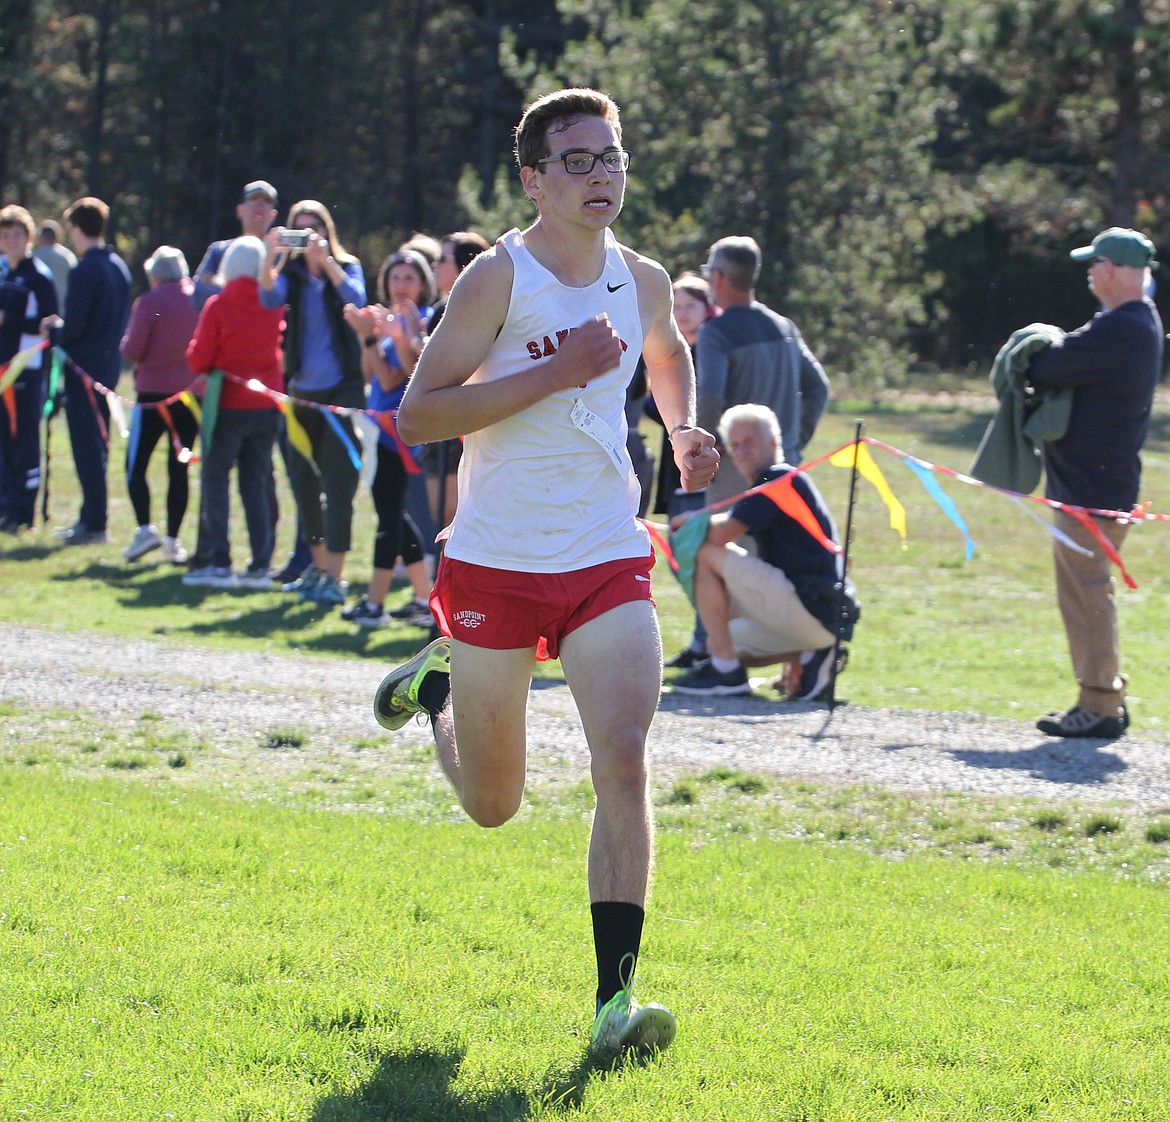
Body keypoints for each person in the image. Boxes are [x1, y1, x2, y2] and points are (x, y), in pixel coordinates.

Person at [373, 87, 719, 1055]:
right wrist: (553, 373)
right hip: (495, 563)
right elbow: (419, 415)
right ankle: (438, 691)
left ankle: (615, 1006)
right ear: (532, 178)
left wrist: (684, 426)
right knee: (496, 807)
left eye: (611, 157)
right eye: (578, 161)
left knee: (625, 755)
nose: (601, 176)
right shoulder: (497, 279)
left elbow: (666, 353)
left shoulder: (641, 277)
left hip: (606, 552)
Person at [1028, 228, 1163, 739]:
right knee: (1088, 593)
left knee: (1087, 596)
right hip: (1099, 488)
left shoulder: (1123, 327)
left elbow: (1047, 365)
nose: (1088, 272)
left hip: (1092, 492)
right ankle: (1101, 695)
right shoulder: (1132, 323)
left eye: (1093, 263)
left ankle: (1101, 702)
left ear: (1110, 270)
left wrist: (1032, 346)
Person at [671, 404, 858, 700]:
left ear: (773, 444)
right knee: (722, 637)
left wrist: (690, 523)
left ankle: (726, 672)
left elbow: (721, 534)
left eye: (750, 442)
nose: (742, 451)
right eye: (735, 445)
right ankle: (810, 658)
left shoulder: (778, 478)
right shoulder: (778, 483)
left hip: (813, 605)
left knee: (704, 551)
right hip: (825, 614)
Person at [261, 201, 366, 606]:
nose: (306, 240)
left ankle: (336, 578)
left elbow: (356, 297)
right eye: (298, 232)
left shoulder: (347, 265)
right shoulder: (290, 275)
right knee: (303, 481)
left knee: (339, 484)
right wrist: (272, 256)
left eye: (312, 231)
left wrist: (328, 264)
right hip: (301, 393)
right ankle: (318, 567)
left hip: (341, 392)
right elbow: (268, 298)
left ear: (327, 231)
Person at [183, 236, 286, 588]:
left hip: (227, 406)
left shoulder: (219, 303)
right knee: (255, 483)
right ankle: (260, 564)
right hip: (267, 405)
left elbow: (200, 358)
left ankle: (220, 560)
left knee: (215, 480)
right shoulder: (271, 302)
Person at [340, 250, 435, 628]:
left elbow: (398, 378)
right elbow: (372, 375)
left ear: (423, 283)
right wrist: (368, 338)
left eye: (409, 278)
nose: (401, 285)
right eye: (395, 278)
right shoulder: (390, 321)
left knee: (389, 519)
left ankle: (375, 604)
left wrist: (389, 339)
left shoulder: (423, 321)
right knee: (395, 516)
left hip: (401, 435)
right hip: (380, 432)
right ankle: (423, 598)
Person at [696, 235, 829, 498]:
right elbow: (818, 387)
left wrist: (703, 450)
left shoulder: (716, 332)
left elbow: (710, 398)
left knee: (729, 538)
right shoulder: (784, 327)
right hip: (783, 463)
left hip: (736, 469)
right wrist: (792, 443)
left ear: (718, 277)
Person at [42, 197, 131, 546]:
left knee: (86, 446)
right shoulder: (119, 267)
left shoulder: (85, 270)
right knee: (100, 443)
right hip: (109, 369)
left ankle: (93, 523)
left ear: (77, 228)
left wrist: (54, 330)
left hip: (83, 370)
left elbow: (76, 327)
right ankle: (93, 516)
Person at [118, 246, 200, 563]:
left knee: (135, 466)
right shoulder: (197, 298)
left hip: (153, 396)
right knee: (178, 468)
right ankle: (173, 540)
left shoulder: (151, 303)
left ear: (154, 276)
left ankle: (144, 529)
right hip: (189, 396)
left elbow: (133, 349)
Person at [422, 230, 491, 530]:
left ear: (466, 265)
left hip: (467, 423)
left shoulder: (483, 308)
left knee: (458, 515)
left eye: (442, 259)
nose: (434, 265)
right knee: (440, 517)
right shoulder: (439, 310)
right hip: (439, 421)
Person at [0, 205, 58, 532]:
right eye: (5, 235)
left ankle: (24, 512)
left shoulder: (39, 276)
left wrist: (9, 322)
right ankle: (6, 506)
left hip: (27, 369)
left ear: (29, 237)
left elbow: (50, 324)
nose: (11, 241)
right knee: (4, 442)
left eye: (17, 235)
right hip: (2, 371)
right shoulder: (2, 272)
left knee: (24, 441)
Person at [191, 181, 279, 312]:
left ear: (273, 215)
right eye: (253, 199)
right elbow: (198, 297)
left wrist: (219, 283)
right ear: (239, 210)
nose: (260, 204)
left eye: (266, 201)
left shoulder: (279, 255)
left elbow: (281, 299)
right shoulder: (219, 251)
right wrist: (260, 286)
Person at [32, 219, 76, 311]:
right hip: (64, 311)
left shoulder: (34, 257)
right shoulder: (68, 256)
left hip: (41, 312)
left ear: (41, 237)